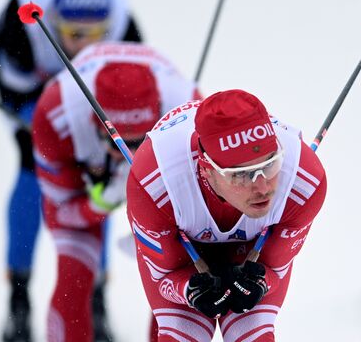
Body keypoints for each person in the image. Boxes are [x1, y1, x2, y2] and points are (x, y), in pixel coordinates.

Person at [0, 0, 143, 341]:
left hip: (93, 110)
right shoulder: (20, 20)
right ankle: (18, 298)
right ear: (55, 19)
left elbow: (137, 83)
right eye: (73, 32)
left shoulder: (122, 19)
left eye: (96, 33)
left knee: (97, 190)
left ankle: (96, 298)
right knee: (31, 176)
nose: (84, 43)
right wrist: (33, 117)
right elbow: (8, 80)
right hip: (36, 101)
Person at [32, 41, 201, 342]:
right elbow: (62, 212)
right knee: (74, 274)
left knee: (182, 278)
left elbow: (200, 213)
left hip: (168, 177)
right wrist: (99, 202)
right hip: (87, 175)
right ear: (94, 124)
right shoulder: (55, 116)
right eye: (117, 142)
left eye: (140, 142)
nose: (128, 155)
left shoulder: (190, 117)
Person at [126, 89, 327, 341]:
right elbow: (165, 275)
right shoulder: (153, 184)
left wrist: (261, 283)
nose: (263, 187)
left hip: (252, 251)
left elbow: (275, 267)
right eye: (242, 175)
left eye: (270, 164)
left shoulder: (303, 181)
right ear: (207, 170)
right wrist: (190, 290)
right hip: (184, 251)